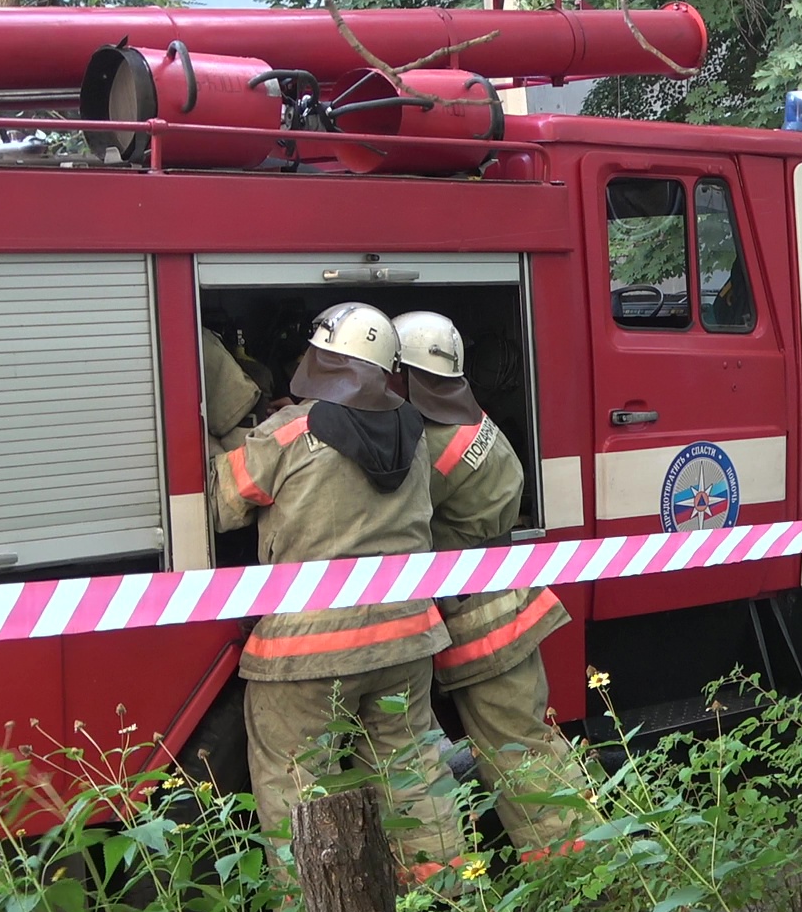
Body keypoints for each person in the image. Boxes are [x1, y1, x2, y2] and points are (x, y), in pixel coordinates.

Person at [208, 302, 463, 878]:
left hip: (307, 648)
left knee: (298, 786)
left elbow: (222, 506)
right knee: (413, 771)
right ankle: (447, 900)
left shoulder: (289, 431)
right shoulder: (414, 431)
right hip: (405, 635)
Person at [390, 311, 595, 863]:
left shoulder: (428, 446)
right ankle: (593, 855)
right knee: (532, 737)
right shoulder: (473, 421)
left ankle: (578, 868)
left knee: (516, 749)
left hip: (477, 617)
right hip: (508, 597)